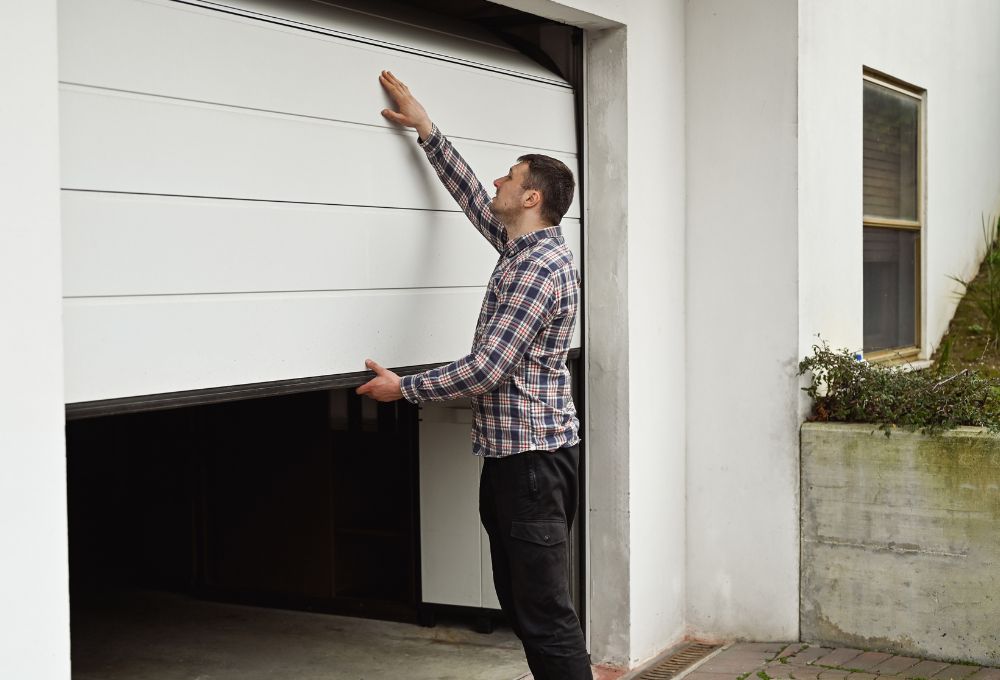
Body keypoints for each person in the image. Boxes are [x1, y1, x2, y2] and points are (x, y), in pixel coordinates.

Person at [357, 70, 590, 680]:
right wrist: (427, 129)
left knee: (542, 610)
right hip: (518, 459)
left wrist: (401, 387)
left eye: (510, 178)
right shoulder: (524, 249)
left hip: (532, 465)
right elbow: (471, 197)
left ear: (532, 198)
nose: (497, 181)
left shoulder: (534, 270)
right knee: (523, 601)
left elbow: (487, 371)